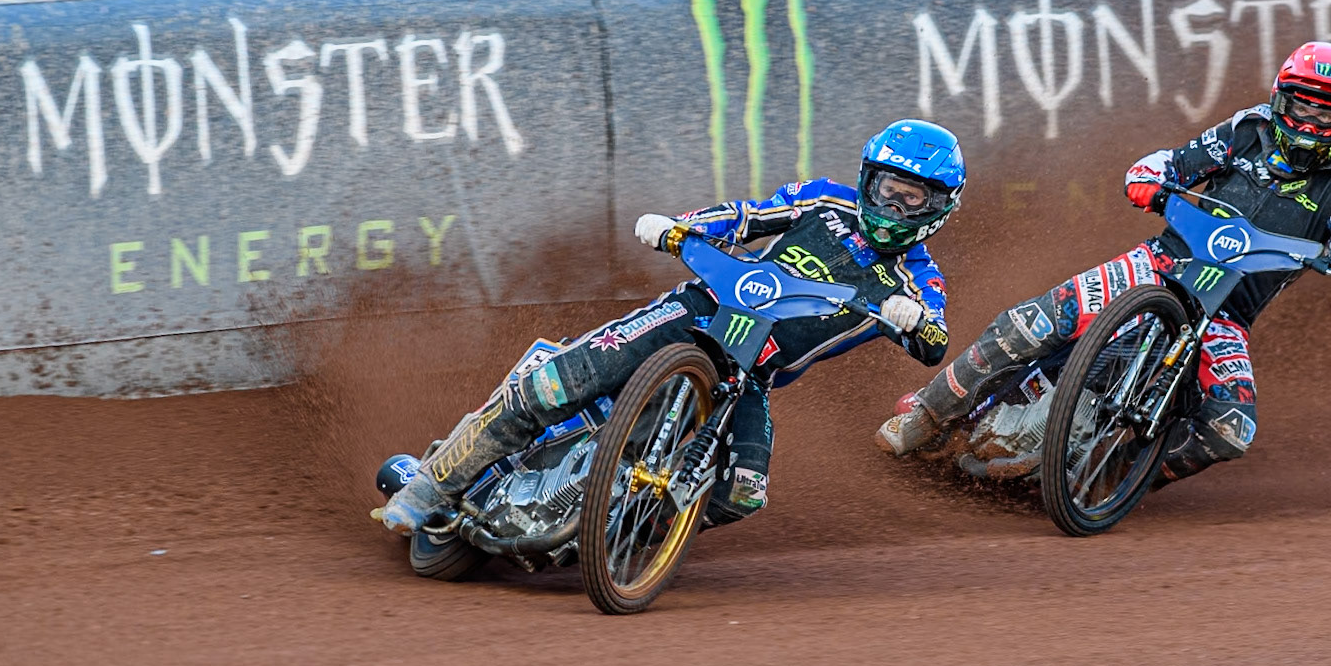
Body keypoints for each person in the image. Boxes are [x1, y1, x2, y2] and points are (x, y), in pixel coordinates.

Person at [379, 119, 967, 534]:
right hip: (696, 311)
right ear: (868, 179)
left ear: (939, 208)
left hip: (751, 374)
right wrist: (678, 227)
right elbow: (746, 216)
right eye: (889, 188)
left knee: (743, 494)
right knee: (554, 384)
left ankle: (635, 532)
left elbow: (935, 340)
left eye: (914, 199)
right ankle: (430, 487)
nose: (896, 206)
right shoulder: (823, 201)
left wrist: (915, 323)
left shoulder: (919, 281)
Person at [877, 41, 1331, 489]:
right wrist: (1148, 178)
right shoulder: (1247, 129)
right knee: (1033, 323)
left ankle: (1111, 480)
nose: (1310, 125)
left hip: (1224, 314)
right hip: (1161, 264)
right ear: (1279, 99)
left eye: (1326, 116)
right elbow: (1173, 163)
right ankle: (926, 413)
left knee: (1231, 430)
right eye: (1300, 106)